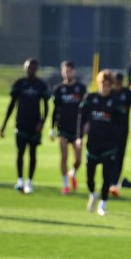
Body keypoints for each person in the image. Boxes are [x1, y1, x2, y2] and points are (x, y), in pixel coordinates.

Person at [0, 58, 49, 194]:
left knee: (33, 153)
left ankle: (30, 181)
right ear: (24, 68)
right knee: (20, 152)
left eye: (32, 68)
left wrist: (42, 122)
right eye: (28, 68)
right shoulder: (19, 84)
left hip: (35, 125)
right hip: (21, 123)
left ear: (36, 69)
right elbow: (11, 104)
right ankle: (20, 179)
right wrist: (4, 125)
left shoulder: (41, 85)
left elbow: (46, 105)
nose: (30, 70)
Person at [76, 70, 117, 216]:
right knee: (89, 177)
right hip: (92, 143)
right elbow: (81, 118)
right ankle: (93, 194)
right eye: (102, 84)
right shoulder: (90, 98)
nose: (104, 87)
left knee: (107, 176)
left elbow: (119, 123)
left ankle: (103, 204)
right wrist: (79, 136)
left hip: (108, 145)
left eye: (107, 85)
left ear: (111, 86)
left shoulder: (114, 100)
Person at [50, 60, 86, 195]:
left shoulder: (80, 88)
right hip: (63, 128)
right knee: (64, 156)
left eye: (70, 70)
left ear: (73, 71)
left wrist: (86, 125)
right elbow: (55, 110)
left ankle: (73, 173)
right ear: (62, 72)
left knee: (78, 160)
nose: (67, 73)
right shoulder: (59, 89)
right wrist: (52, 128)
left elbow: (85, 109)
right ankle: (65, 185)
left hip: (77, 129)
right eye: (65, 70)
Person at [108, 71, 131, 197]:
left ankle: (114, 183)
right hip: (109, 130)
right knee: (110, 157)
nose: (118, 85)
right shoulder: (109, 93)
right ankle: (109, 181)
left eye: (120, 82)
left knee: (120, 156)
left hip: (123, 130)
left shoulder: (127, 93)